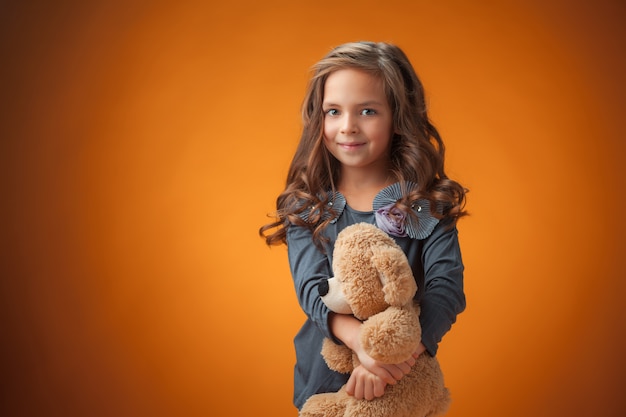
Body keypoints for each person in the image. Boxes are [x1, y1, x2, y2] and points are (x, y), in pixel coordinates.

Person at [260, 41, 467, 411]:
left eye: (368, 111)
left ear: (398, 117)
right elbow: (311, 290)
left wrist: (390, 359)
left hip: (403, 382)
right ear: (318, 117)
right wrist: (361, 343)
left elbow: (446, 289)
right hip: (322, 379)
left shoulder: (426, 206)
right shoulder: (306, 205)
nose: (348, 127)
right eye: (333, 111)